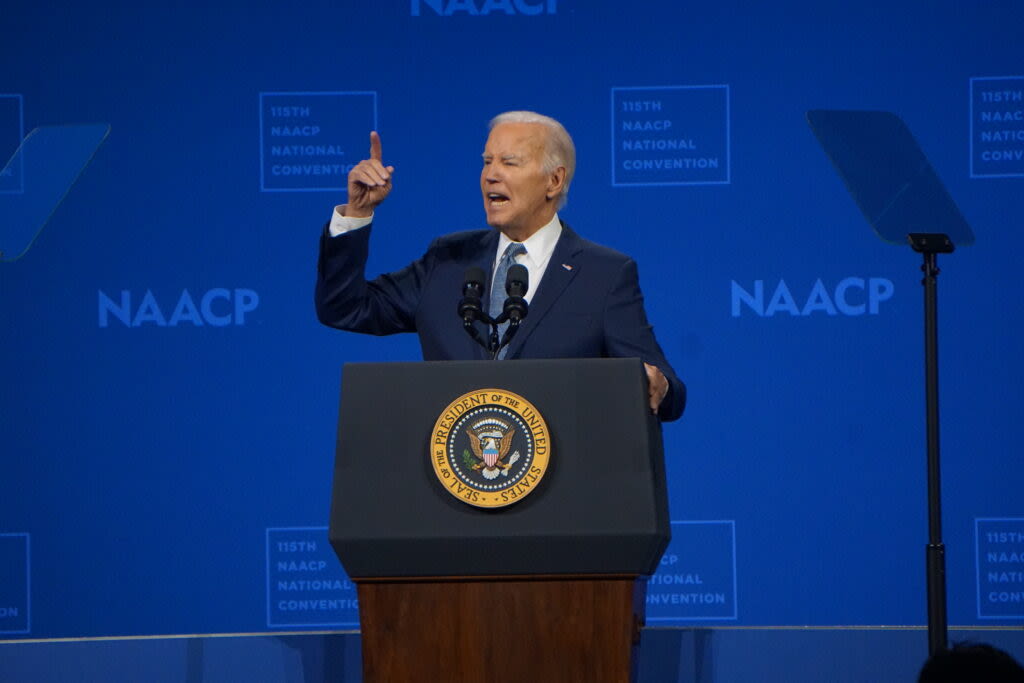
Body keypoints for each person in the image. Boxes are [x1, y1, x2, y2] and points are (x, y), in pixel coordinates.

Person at [315, 111, 686, 421]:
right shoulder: (447, 260)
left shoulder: (603, 274)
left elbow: (664, 386)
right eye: (487, 162)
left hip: (563, 492)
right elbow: (344, 308)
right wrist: (357, 213)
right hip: (453, 486)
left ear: (554, 181)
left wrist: (656, 384)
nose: (491, 174)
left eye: (509, 162)